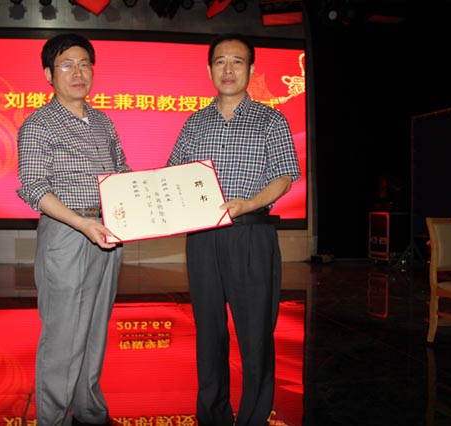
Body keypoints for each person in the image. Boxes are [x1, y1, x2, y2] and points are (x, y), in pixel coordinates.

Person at [166, 33, 301, 426]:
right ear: (210, 70)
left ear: (251, 70)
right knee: (209, 332)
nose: (228, 69)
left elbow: (284, 176)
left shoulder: (271, 119)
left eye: (237, 62)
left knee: (255, 333)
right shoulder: (195, 123)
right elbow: (172, 175)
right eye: (220, 62)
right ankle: (213, 415)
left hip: (251, 235)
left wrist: (248, 204)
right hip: (203, 238)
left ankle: (253, 418)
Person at [16, 33, 131, 426]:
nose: (78, 72)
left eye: (85, 64)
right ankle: (53, 419)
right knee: (63, 336)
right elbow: (34, 188)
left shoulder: (103, 121)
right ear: (49, 75)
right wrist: (82, 223)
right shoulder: (39, 124)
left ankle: (90, 410)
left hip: (108, 232)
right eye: (67, 65)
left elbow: (122, 172)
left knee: (95, 328)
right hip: (69, 232)